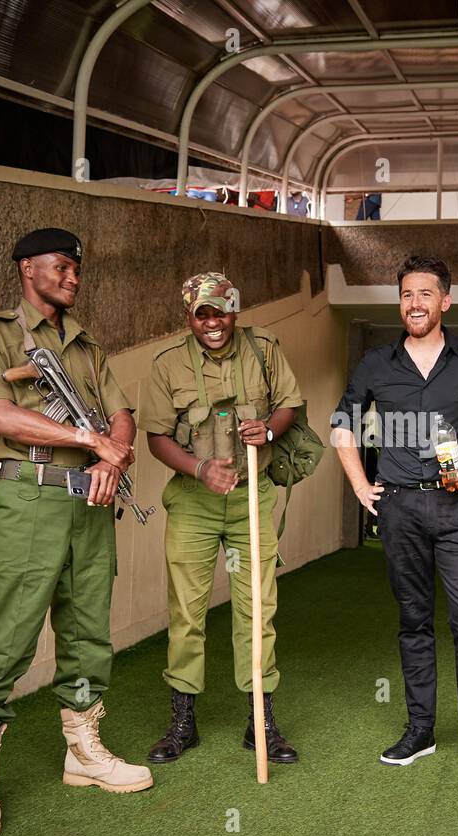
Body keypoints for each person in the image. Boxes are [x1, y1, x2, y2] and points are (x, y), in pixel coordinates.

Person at [0, 228, 152, 836]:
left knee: (89, 630)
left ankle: (83, 751)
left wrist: (112, 453)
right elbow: (2, 415)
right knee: (6, 634)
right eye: (61, 267)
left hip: (89, 504)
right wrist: (88, 440)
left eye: (76, 269)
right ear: (26, 269)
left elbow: (121, 411)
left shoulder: (87, 346)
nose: (72, 277)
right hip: (29, 498)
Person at [332, 255, 458, 785]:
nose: (414, 303)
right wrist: (357, 482)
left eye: (425, 294)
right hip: (399, 507)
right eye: (406, 295)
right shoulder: (374, 363)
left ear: (445, 301)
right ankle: (421, 729)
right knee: (413, 621)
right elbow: (342, 425)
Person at [139, 272, 304, 766]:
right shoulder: (167, 365)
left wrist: (268, 432)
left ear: (235, 310)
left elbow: (290, 404)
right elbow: (155, 436)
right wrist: (199, 468)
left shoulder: (264, 350)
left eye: (221, 311)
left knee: (257, 609)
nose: (213, 322)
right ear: (189, 317)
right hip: (193, 501)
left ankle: (261, 723)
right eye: (202, 314)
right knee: (187, 612)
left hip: (254, 494)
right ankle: (182, 721)